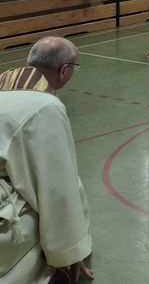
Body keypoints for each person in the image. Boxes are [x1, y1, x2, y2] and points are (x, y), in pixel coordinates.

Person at [0, 37, 93, 284]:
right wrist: (69, 252)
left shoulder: (4, 82)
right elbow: (57, 186)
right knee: (74, 187)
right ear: (64, 71)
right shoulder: (45, 105)